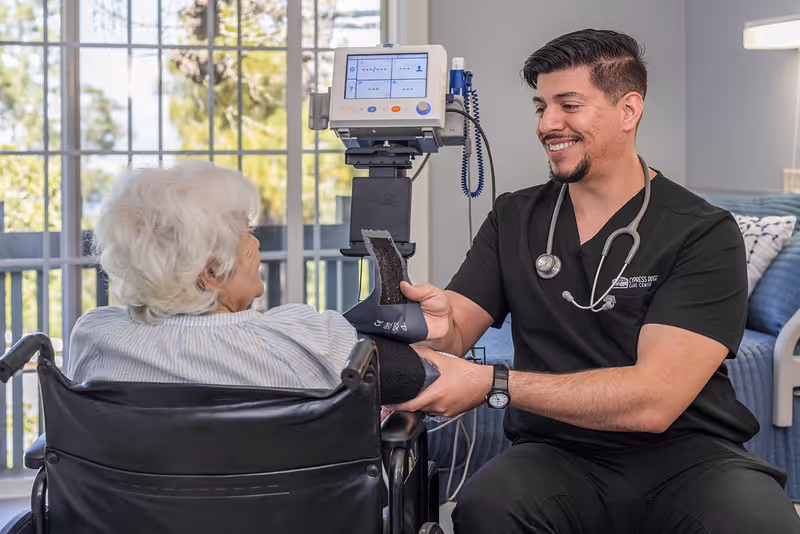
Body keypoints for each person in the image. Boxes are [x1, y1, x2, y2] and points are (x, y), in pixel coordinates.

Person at [394, 29, 800, 533]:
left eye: (568, 105)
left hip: (689, 453)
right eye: (541, 106)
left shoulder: (701, 230)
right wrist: (439, 323)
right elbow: (457, 328)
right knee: (486, 507)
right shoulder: (514, 217)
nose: (547, 124)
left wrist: (491, 382)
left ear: (628, 110)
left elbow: (655, 401)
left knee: (761, 523)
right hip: (556, 450)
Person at [67, 160, 359, 390]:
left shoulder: (96, 336)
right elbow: (401, 373)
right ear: (212, 272)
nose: (256, 243)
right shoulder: (303, 341)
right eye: (247, 233)